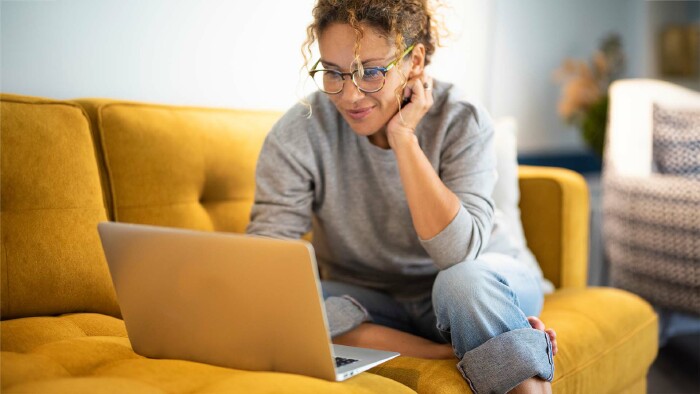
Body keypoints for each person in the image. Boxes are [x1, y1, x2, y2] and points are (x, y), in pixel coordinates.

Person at [246, 1, 558, 392]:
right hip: (371, 303)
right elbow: (264, 262)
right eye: (333, 73)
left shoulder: (461, 118)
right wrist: (435, 352)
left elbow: (457, 255)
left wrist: (404, 139)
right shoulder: (298, 133)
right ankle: (444, 347)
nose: (350, 95)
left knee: (462, 283)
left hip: (476, 284)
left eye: (371, 72)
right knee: (273, 300)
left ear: (415, 62)